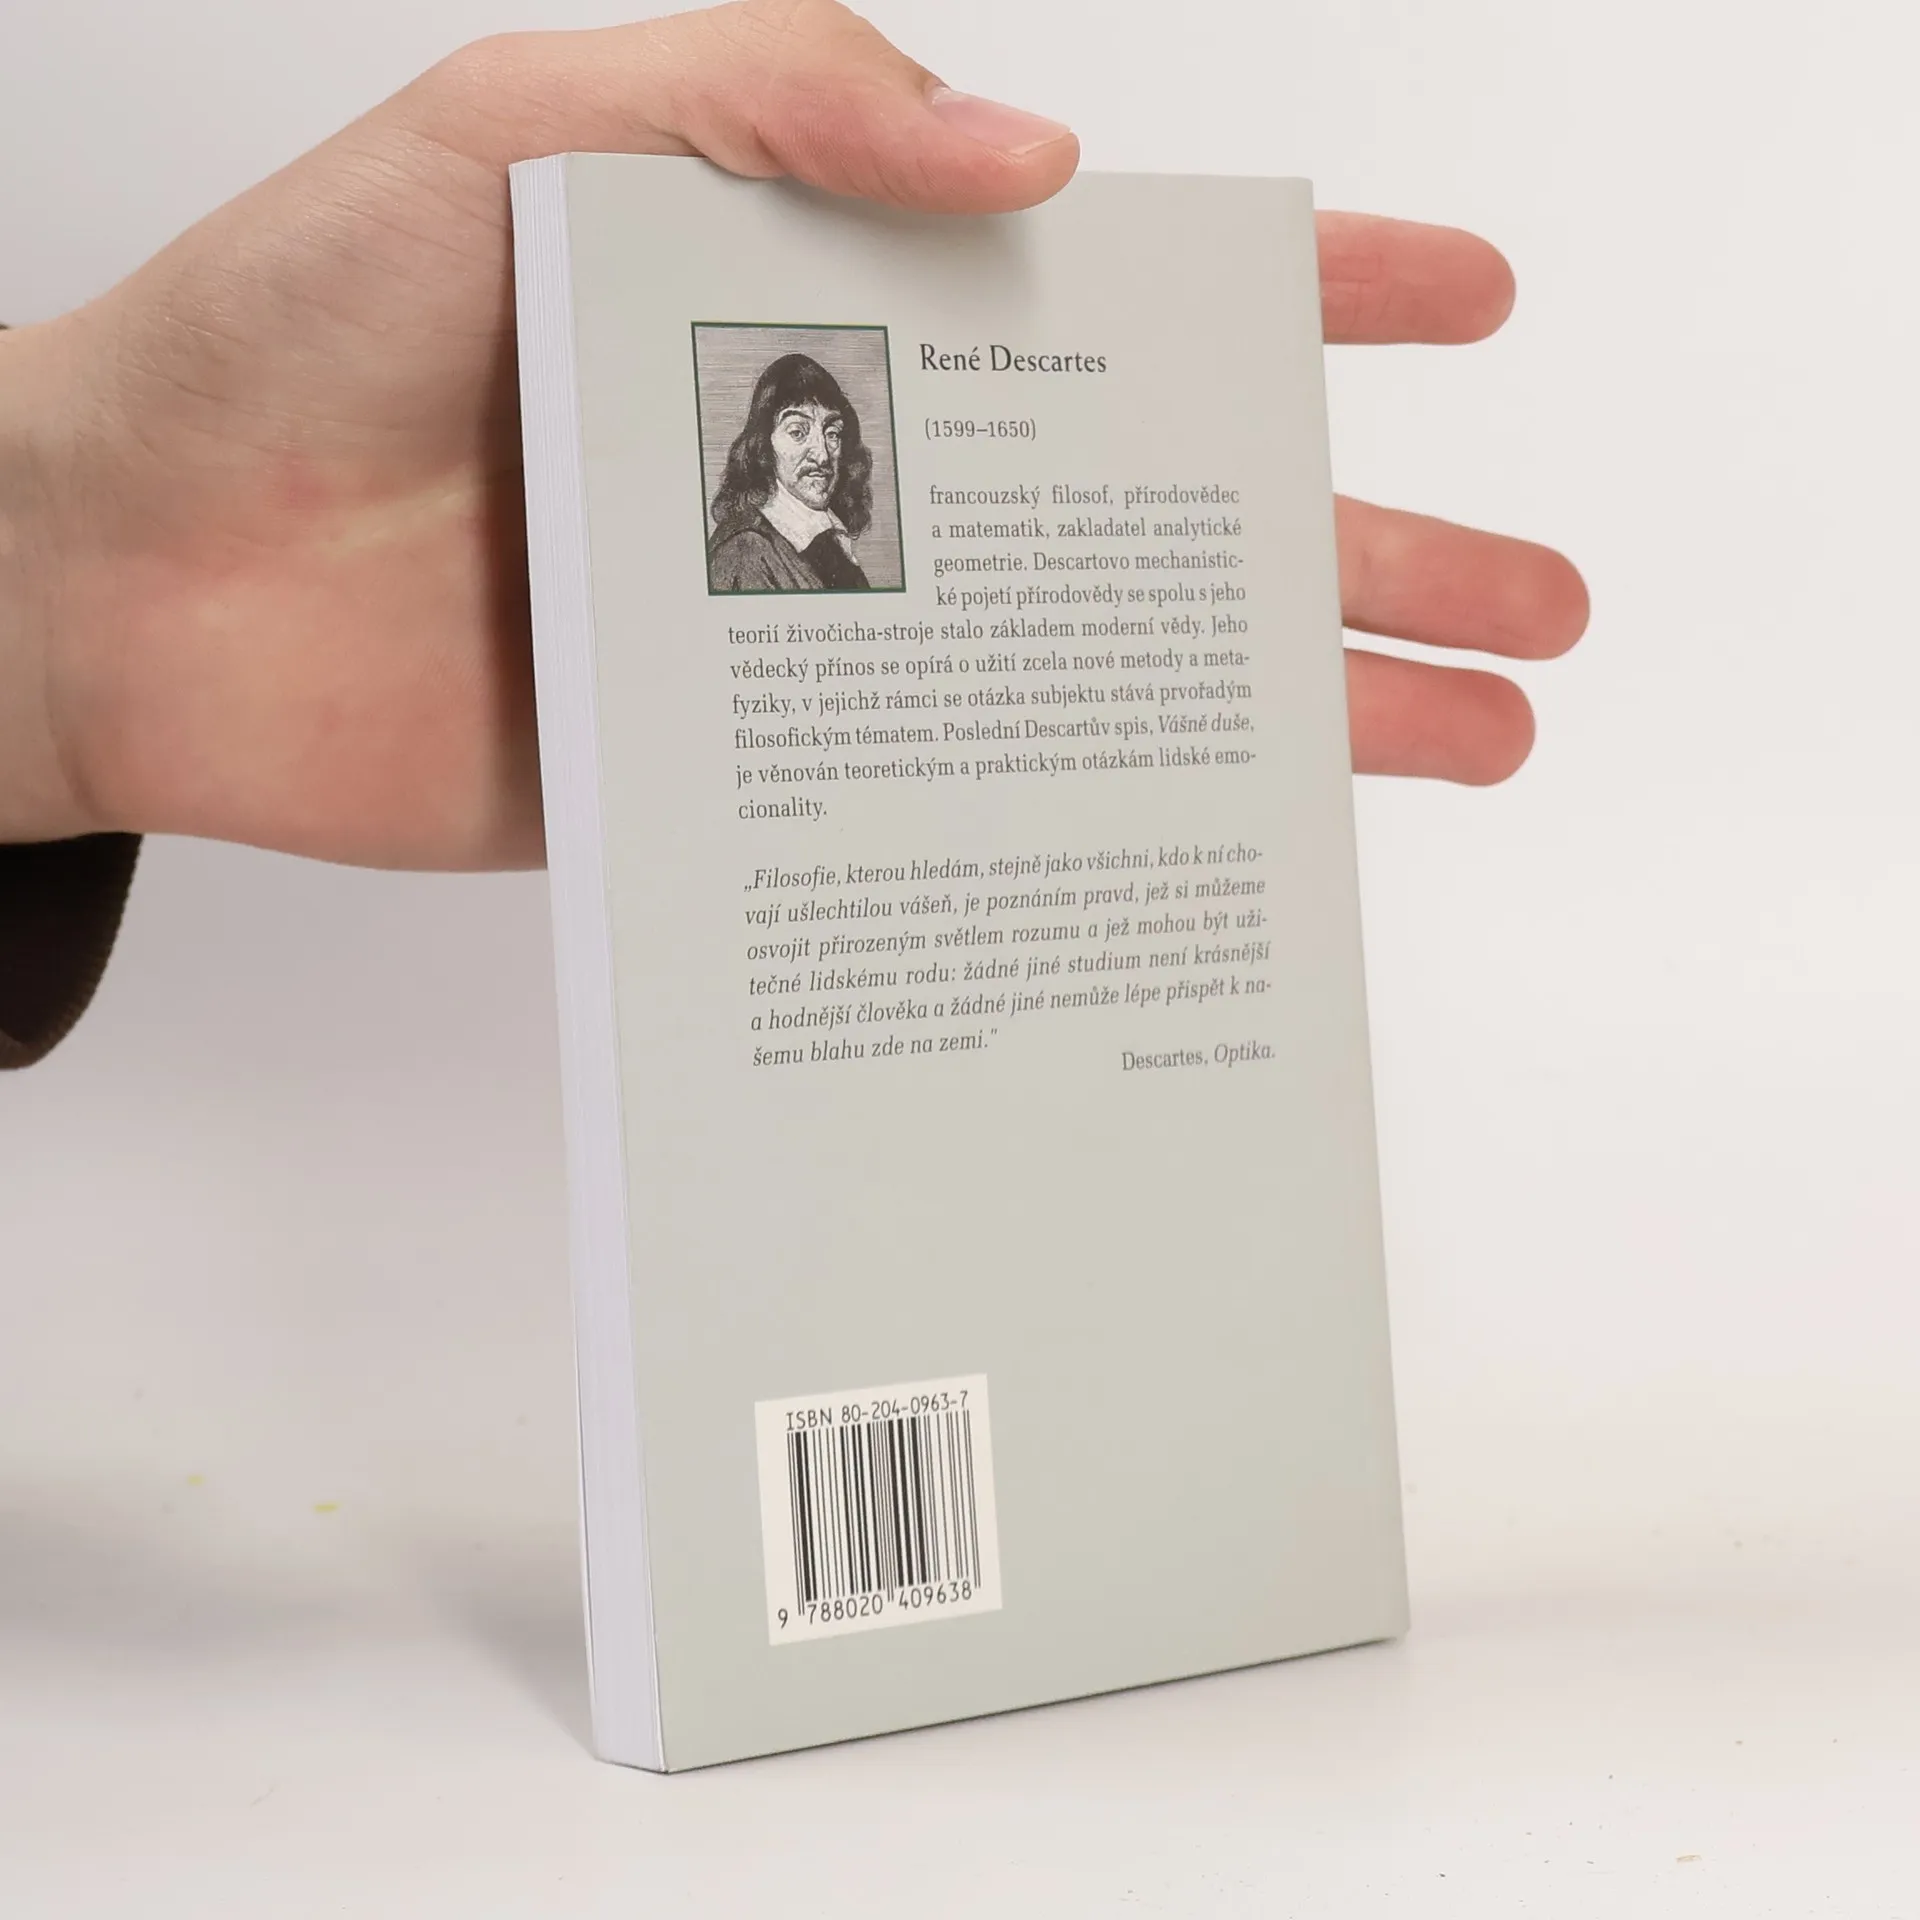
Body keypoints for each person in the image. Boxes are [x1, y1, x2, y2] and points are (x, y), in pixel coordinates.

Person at [0, 0, 1589, 1068]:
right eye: (799, 423)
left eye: (838, 425)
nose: (821, 442)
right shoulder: (752, 559)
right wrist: (81, 541)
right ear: (758, 440)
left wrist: (79, 572)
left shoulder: (842, 561)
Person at [708, 351, 875, 592]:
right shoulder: (744, 551)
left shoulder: (832, 543)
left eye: (832, 434)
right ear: (764, 445)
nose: (822, 456)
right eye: (798, 432)